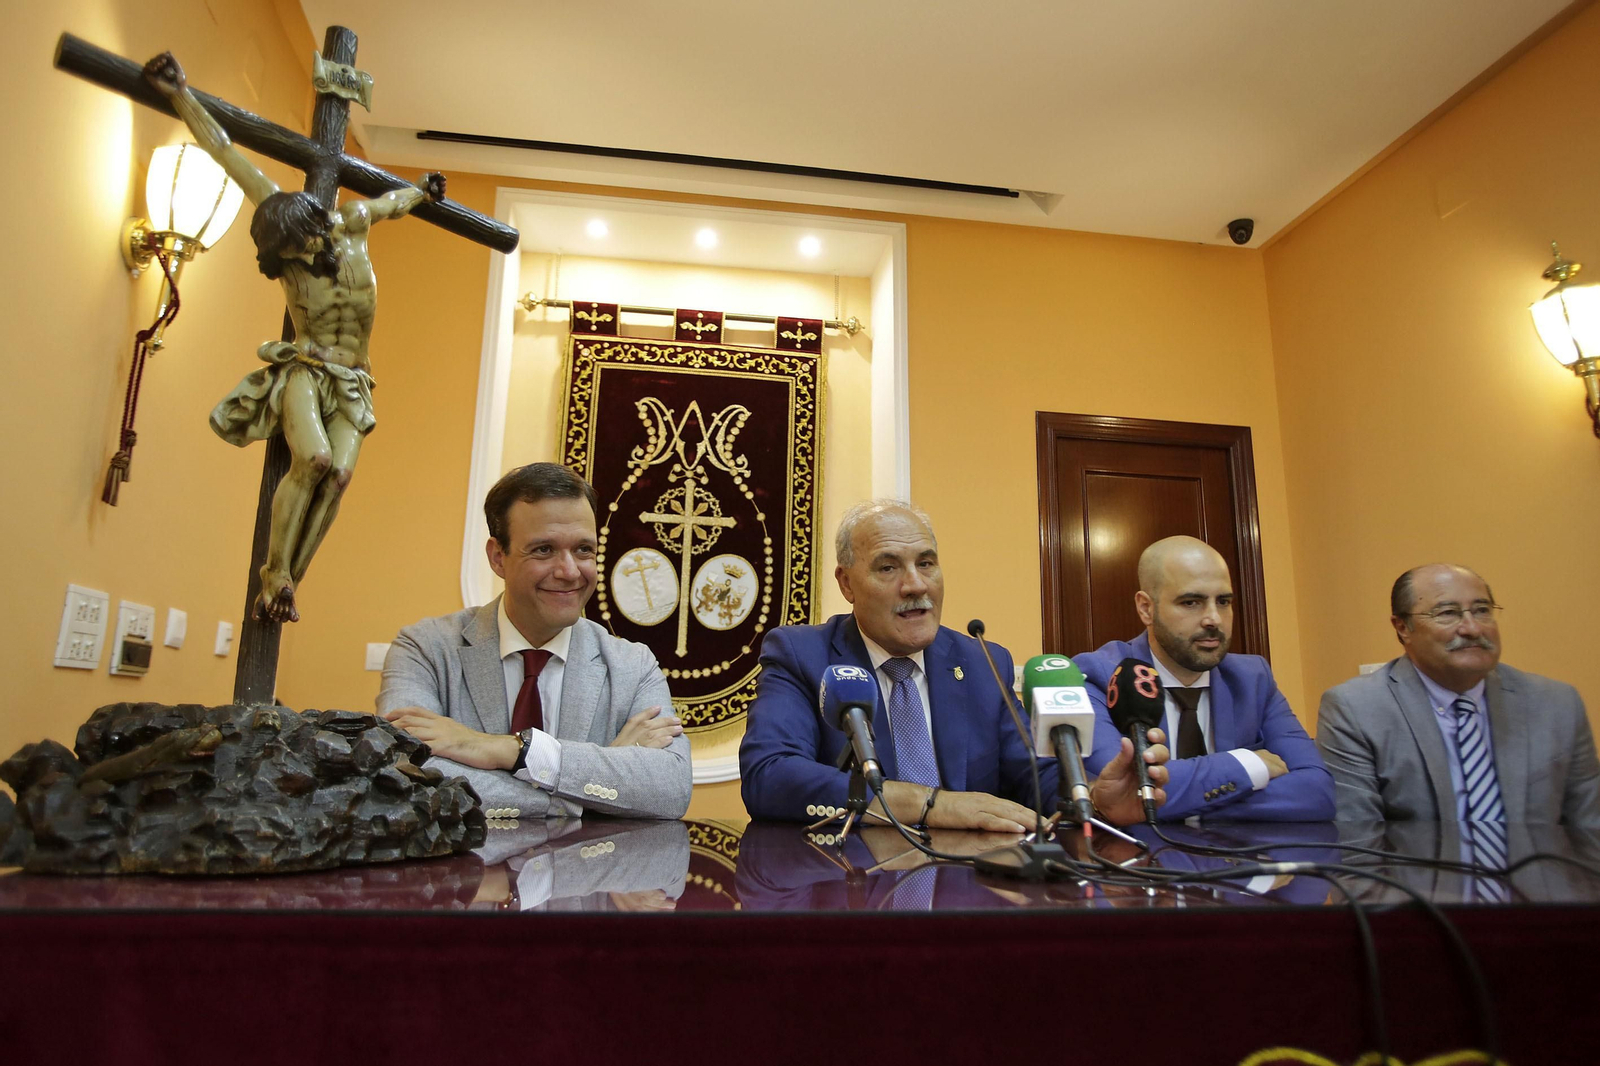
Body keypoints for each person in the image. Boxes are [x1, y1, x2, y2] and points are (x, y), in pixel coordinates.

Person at [144, 52, 447, 623]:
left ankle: (288, 584)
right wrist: (180, 93)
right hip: (306, 369)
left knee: (340, 475)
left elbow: (392, 203)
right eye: (285, 259)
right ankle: (272, 572)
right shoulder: (278, 228)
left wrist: (423, 193)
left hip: (355, 377)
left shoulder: (352, 225)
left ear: (312, 228)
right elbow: (225, 152)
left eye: (300, 250)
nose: (297, 262)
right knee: (312, 459)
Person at [740, 500, 1169, 830]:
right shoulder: (801, 655)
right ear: (847, 584)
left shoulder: (982, 661)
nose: (916, 585)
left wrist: (1092, 798)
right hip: (851, 894)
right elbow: (770, 777)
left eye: (926, 563)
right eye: (889, 567)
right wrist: (929, 804)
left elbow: (1031, 778)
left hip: (966, 894)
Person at [378, 463, 691, 819]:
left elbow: (671, 790)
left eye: (584, 550)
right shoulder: (425, 650)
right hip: (469, 875)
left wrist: (506, 750)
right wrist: (582, 796)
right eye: (544, 550)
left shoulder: (633, 666)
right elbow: (404, 779)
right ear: (498, 557)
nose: (570, 571)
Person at [1076, 536, 1334, 822]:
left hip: (1238, 859)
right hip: (1138, 861)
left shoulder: (1253, 679)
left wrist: (1185, 805)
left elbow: (1317, 791)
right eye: (1191, 602)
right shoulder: (1101, 675)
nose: (1213, 619)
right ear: (1146, 608)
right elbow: (1127, 789)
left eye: (1223, 601)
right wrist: (1249, 765)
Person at [1316, 564, 1600, 825]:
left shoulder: (1557, 704)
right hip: (1416, 881)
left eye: (1482, 610)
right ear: (1403, 628)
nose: (1472, 628)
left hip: (1540, 880)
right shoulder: (1356, 709)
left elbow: (1591, 828)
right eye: (1447, 613)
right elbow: (1357, 846)